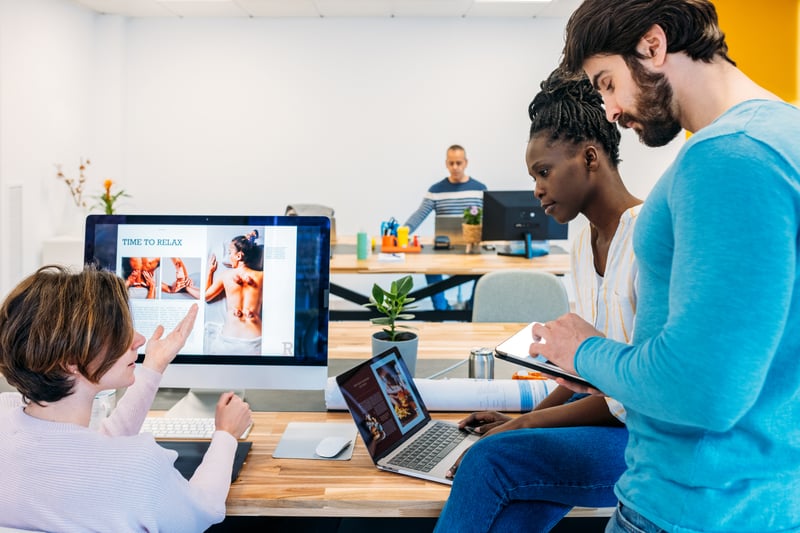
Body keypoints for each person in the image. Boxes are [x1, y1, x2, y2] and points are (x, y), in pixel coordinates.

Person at [530, 2, 800, 531]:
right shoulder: (780, 133)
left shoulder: (728, 157)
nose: (608, 110)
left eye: (606, 83)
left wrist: (583, 352)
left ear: (653, 45)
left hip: (688, 507)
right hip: (755, 500)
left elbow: (701, 390)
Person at [434, 69, 642, 532]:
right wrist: (528, 416)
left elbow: (628, 396)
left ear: (590, 157)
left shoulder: (647, 238)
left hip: (642, 444)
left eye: (543, 172)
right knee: (513, 502)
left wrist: (526, 427)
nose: (536, 189)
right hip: (605, 430)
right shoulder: (582, 239)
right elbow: (585, 371)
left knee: (488, 462)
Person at [0, 265, 253, 531]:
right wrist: (226, 435)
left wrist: (153, 367)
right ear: (72, 361)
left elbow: (92, 452)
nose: (139, 339)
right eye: (119, 331)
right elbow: (203, 510)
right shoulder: (138, 469)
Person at [404, 144, 487, 310]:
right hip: (444, 248)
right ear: (446, 163)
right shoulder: (435, 190)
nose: (455, 167)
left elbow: (492, 218)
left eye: (459, 163)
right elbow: (420, 214)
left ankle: (471, 309)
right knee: (429, 267)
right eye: (451, 163)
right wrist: (402, 231)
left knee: (486, 270)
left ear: (466, 162)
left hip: (472, 249)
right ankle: (441, 310)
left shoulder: (480, 189)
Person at [205, 232, 264, 355]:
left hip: (229, 339)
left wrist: (210, 272)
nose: (229, 256)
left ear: (239, 256)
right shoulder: (262, 276)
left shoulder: (226, 276)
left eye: (230, 253)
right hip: (256, 340)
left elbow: (207, 297)